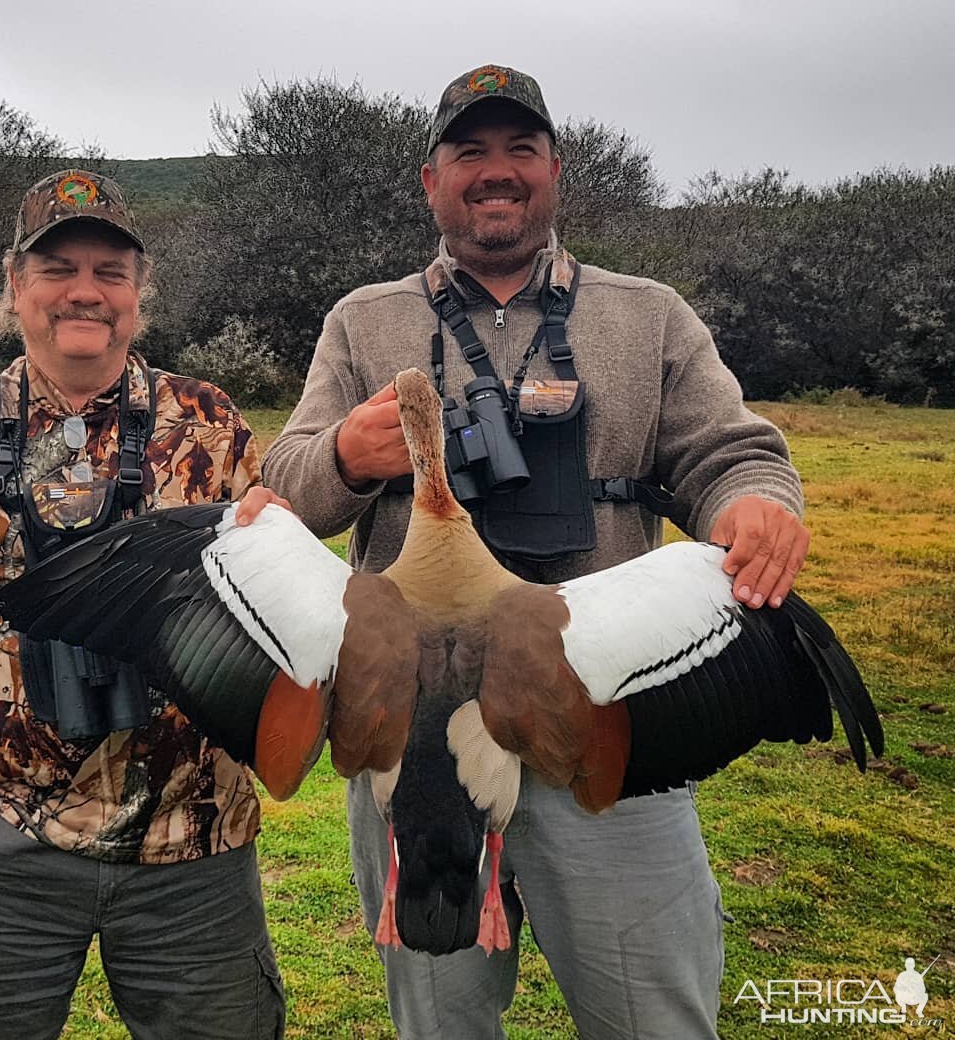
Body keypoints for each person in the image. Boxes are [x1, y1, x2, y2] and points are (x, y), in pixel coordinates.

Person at [262, 65, 811, 1039]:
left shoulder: (649, 315)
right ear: (431, 181)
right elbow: (283, 491)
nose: (496, 170)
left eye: (520, 149)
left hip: (603, 731)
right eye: (469, 151)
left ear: (556, 172)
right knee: (441, 1023)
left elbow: (731, 455)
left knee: (656, 1019)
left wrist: (756, 503)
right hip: (413, 751)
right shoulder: (363, 320)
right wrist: (348, 453)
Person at [0, 169, 290, 1039]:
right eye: (58, 267)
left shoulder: (209, 427)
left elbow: (272, 630)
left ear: (138, 292)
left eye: (111, 270)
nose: (85, 292)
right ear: (16, 286)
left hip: (194, 844)